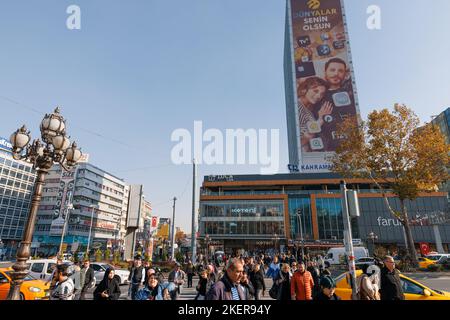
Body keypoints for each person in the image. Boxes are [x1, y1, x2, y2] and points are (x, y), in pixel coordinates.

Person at [320, 57, 357, 151]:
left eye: (340, 71)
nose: (336, 73)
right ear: (325, 72)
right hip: (331, 148)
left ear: (345, 74)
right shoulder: (319, 96)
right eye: (332, 70)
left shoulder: (351, 93)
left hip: (354, 146)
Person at [297, 76, 333, 152]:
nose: (318, 96)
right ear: (304, 89)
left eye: (322, 94)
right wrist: (320, 120)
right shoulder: (296, 106)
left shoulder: (309, 112)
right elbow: (300, 141)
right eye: (315, 91)